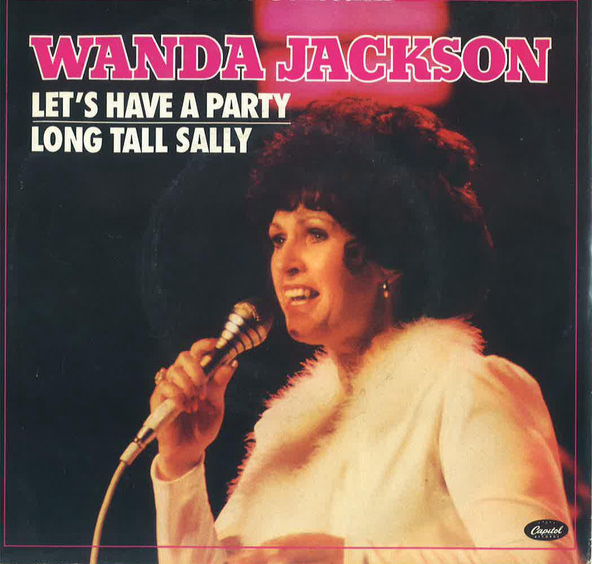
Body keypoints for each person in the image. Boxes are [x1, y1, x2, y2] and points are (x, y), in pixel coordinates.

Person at [149, 101, 576, 564]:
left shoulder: (465, 389)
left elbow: (542, 556)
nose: (285, 262)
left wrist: (347, 558)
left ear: (389, 257)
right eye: (278, 238)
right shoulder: (284, 432)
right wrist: (181, 464)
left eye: (315, 234)